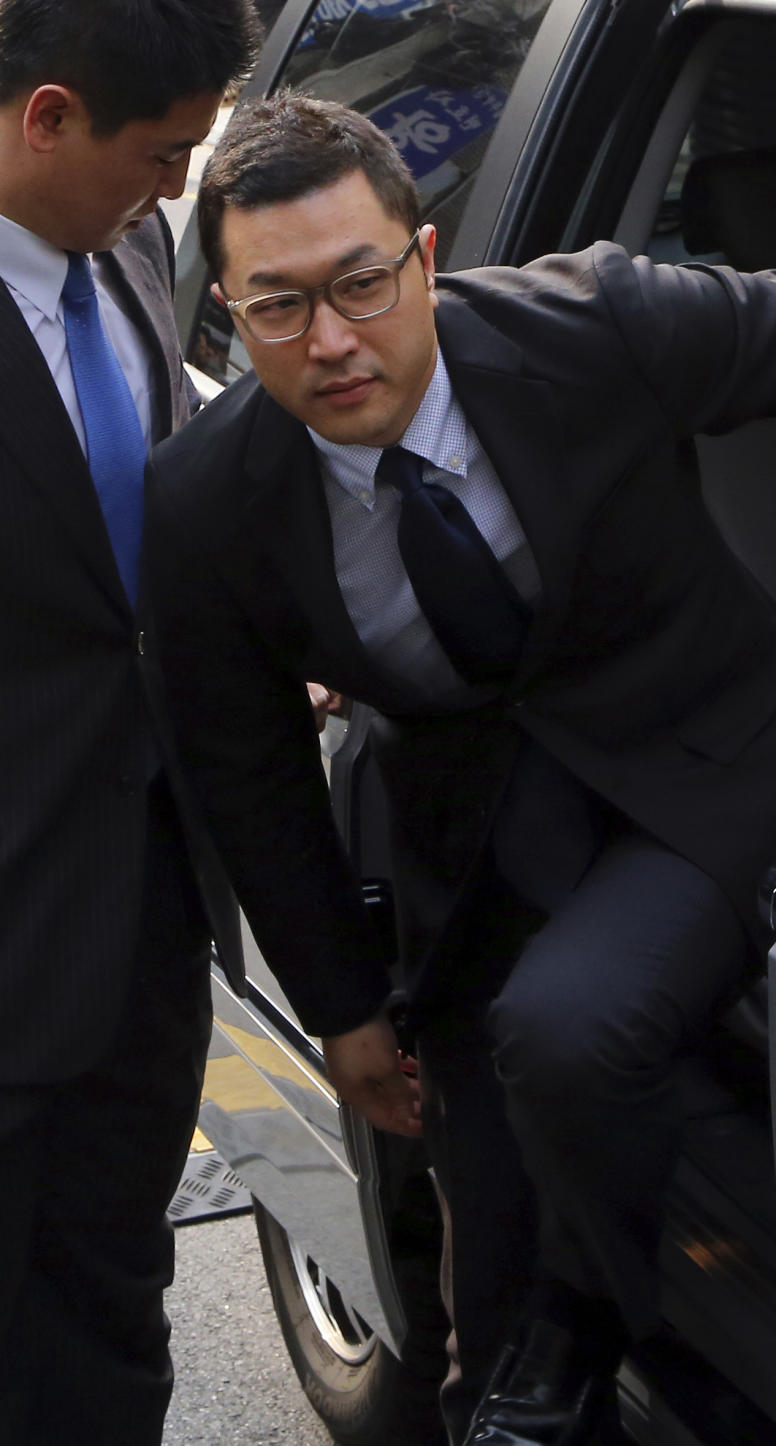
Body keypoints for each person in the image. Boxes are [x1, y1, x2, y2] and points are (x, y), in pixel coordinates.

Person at [146, 93, 776, 1446]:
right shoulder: (209, 498)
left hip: (695, 765)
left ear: (426, 257)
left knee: (566, 1033)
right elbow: (246, 767)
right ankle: (541, 1347)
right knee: (484, 1316)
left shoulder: (599, 323)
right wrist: (340, 1006)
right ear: (225, 305)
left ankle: (585, 1323)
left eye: (361, 284)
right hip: (478, 838)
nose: (330, 341)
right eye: (277, 308)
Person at [0, 2, 261, 1442]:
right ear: (48, 117)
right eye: (158, 156)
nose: (177, 191)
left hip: (140, 913)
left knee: (107, 1309)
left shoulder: (134, 249)